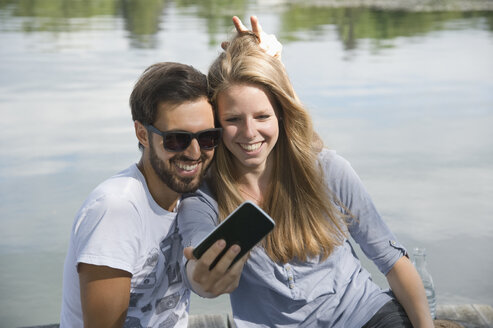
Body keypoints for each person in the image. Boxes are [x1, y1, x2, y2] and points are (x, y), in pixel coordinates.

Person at [177, 17, 435, 328]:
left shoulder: (328, 170)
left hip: (365, 316)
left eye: (262, 116)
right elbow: (197, 266)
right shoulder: (202, 198)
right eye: (233, 119)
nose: (249, 133)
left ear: (281, 115)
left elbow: (393, 262)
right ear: (216, 123)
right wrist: (203, 278)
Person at [60, 62, 245, 327]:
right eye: (176, 139)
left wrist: (251, 56)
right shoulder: (116, 210)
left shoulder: (191, 193)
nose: (194, 153)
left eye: (207, 138)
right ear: (142, 134)